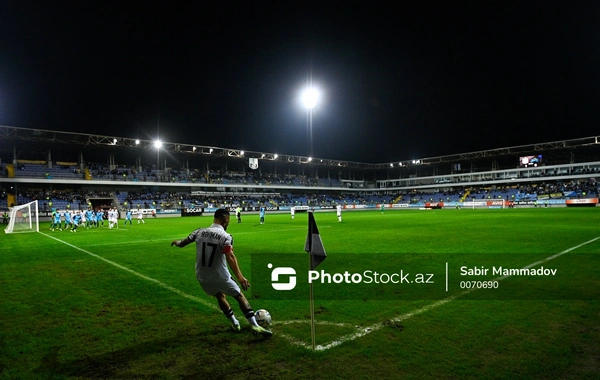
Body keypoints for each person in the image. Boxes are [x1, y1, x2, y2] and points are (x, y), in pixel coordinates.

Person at [170, 209, 272, 337]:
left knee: (219, 296)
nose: (228, 224)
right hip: (220, 276)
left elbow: (182, 243)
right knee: (239, 296)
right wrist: (240, 277)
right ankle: (255, 325)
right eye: (228, 221)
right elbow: (230, 255)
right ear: (224, 220)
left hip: (202, 276)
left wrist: (177, 242)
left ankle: (235, 323)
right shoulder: (226, 237)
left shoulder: (198, 231)